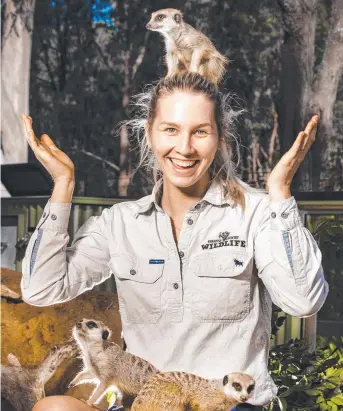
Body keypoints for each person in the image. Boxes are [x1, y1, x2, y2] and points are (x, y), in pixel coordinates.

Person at [21, 73, 328, 411]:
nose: (184, 148)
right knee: (54, 408)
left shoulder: (254, 212)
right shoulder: (118, 223)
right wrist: (63, 186)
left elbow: (304, 301)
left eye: (200, 131)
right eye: (171, 129)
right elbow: (41, 290)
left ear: (220, 137)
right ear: (149, 133)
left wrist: (281, 195)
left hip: (227, 406)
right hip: (146, 403)